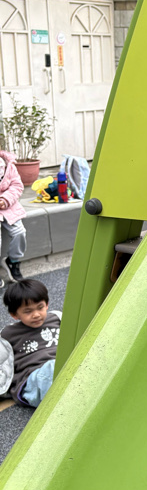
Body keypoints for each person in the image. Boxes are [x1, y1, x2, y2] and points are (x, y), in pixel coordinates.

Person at [0, 279, 60, 407]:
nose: (36, 315)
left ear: (47, 305)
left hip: (63, 366)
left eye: (40, 307)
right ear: (14, 314)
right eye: (28, 311)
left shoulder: (57, 319)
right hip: (33, 380)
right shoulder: (8, 334)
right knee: (52, 368)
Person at [0, 149, 27, 282]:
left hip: (7, 205)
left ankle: (13, 261)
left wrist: (5, 200)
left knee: (19, 232)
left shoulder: (7, 164)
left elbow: (17, 185)